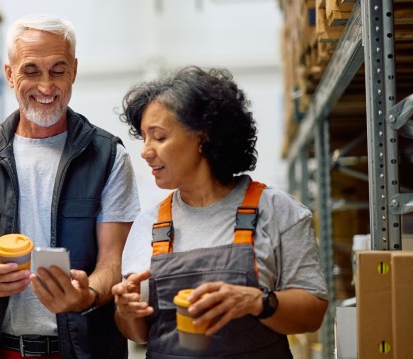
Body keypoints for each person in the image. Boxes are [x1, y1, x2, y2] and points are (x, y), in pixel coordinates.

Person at [0, 14, 141, 359]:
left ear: (74, 70)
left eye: (58, 71)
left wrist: (86, 293)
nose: (46, 86)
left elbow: (113, 263)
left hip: (80, 350)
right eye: (31, 71)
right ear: (9, 74)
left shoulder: (107, 156)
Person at [111, 66, 328, 358]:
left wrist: (257, 301)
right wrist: (126, 312)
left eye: (159, 137)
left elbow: (313, 314)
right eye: (144, 138)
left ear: (203, 137)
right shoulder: (147, 224)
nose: (145, 151)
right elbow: (137, 333)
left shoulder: (278, 211)